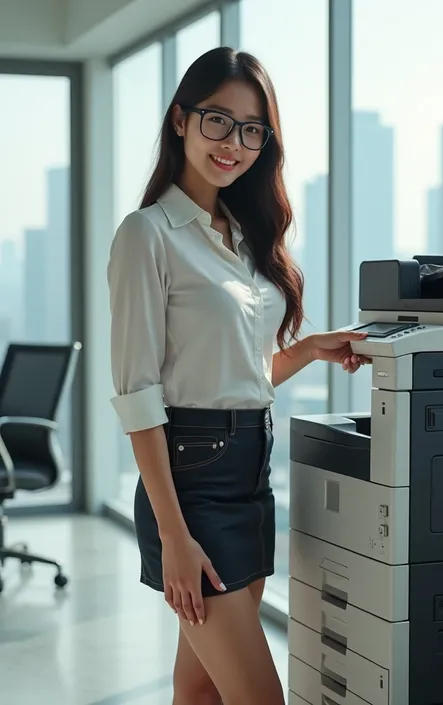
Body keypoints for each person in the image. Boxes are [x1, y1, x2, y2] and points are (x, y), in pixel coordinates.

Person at [108, 46, 368, 705]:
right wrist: (173, 535)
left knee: (199, 690)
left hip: (253, 476)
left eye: (253, 129)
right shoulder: (149, 234)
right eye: (218, 120)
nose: (235, 143)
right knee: (260, 696)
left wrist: (308, 348)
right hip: (191, 487)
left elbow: (237, 374)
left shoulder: (241, 236)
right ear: (180, 121)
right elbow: (139, 397)